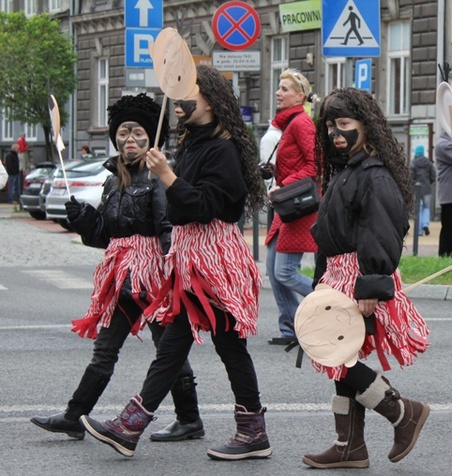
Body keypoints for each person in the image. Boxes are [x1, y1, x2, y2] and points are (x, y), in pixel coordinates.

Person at [80, 65, 270, 461]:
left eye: (189, 95)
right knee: (176, 344)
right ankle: (131, 425)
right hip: (192, 258)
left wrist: (166, 175)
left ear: (211, 102)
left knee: (228, 347)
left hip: (215, 260)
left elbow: (204, 207)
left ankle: (251, 432)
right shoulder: (195, 143)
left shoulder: (222, 148)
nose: (180, 102)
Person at [30, 93, 203, 443]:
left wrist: (174, 275)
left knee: (167, 349)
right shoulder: (113, 181)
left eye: (138, 133)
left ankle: (190, 419)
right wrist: (82, 220)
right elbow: (105, 236)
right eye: (123, 133)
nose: (130, 140)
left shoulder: (157, 179)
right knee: (106, 348)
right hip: (119, 275)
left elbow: (169, 228)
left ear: (150, 138)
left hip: (151, 278)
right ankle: (75, 416)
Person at [302, 88, 430, 469]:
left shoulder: (373, 175)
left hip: (359, 275)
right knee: (341, 356)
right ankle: (349, 445)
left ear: (367, 127)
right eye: (330, 126)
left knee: (340, 357)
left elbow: (382, 231)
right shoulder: (346, 170)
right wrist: (321, 279)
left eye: (344, 124)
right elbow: (331, 231)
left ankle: (402, 412)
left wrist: (371, 285)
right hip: (338, 275)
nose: (336, 134)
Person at [265, 68, 317, 346]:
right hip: (286, 205)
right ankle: (291, 329)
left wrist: (284, 186)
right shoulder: (289, 125)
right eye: (279, 87)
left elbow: (313, 167)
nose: (278, 92)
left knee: (285, 271)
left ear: (300, 96)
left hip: (297, 207)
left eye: (285, 89)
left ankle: (331, 301)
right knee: (273, 271)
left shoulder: (302, 124)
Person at [410, 144, 435, 236]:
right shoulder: (428, 163)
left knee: (418, 209)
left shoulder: (413, 163)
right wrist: (429, 183)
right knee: (426, 207)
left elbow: (410, 177)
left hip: (416, 189)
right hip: (427, 189)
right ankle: (425, 224)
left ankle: (419, 231)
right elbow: (433, 176)